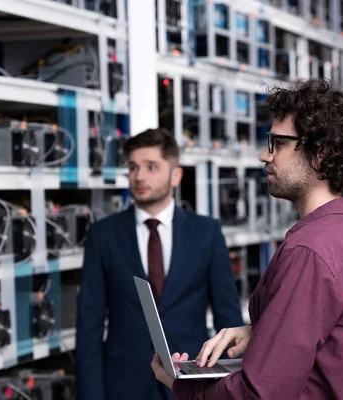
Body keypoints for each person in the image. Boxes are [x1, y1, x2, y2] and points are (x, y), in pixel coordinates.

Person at [151, 78, 343, 399]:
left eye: (278, 144)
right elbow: (338, 348)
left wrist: (183, 385)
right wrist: (263, 331)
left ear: (320, 155)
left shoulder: (310, 250)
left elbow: (259, 394)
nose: (264, 156)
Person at [76, 128, 244, 400]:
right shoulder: (103, 235)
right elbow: (89, 328)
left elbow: (229, 320)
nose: (139, 176)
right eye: (133, 167)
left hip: (192, 379)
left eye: (151, 167)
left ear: (175, 175)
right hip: (124, 383)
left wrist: (232, 389)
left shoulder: (206, 233)